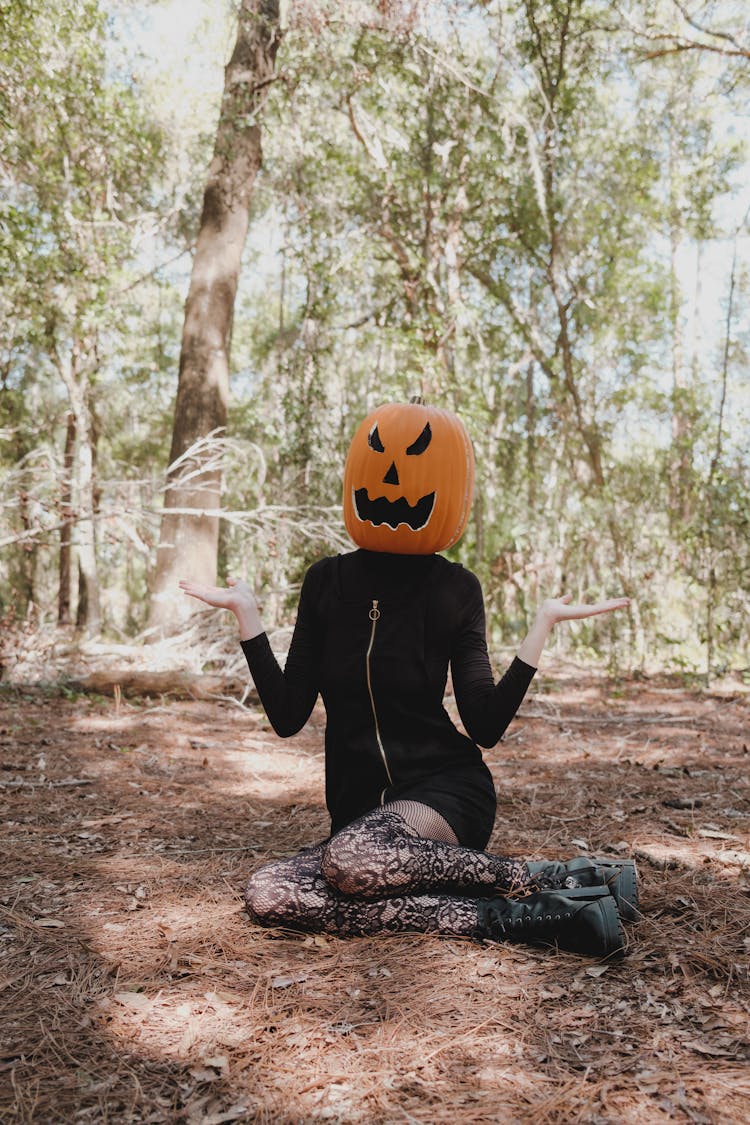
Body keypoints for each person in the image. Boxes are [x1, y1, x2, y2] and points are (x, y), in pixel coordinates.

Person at [180, 402, 637, 958]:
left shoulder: (455, 589)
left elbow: (485, 726)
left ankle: (556, 877)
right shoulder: (325, 582)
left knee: (352, 862)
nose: (394, 478)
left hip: (443, 793)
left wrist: (541, 626)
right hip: (362, 824)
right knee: (272, 892)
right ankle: (546, 919)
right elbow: (287, 716)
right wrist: (247, 619)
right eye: (380, 459)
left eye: (416, 459)